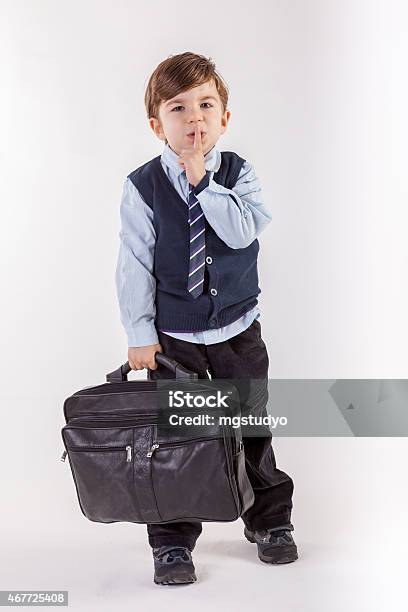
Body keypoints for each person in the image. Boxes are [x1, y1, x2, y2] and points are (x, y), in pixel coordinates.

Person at [115, 51, 297, 585]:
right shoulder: (142, 186)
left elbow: (243, 231)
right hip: (176, 340)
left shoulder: (240, 174)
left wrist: (201, 180)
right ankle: (172, 540)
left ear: (224, 118)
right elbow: (134, 261)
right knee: (181, 440)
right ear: (157, 125)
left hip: (239, 331)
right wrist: (139, 333)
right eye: (178, 108)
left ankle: (270, 521)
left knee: (251, 427)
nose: (194, 117)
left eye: (206, 104)